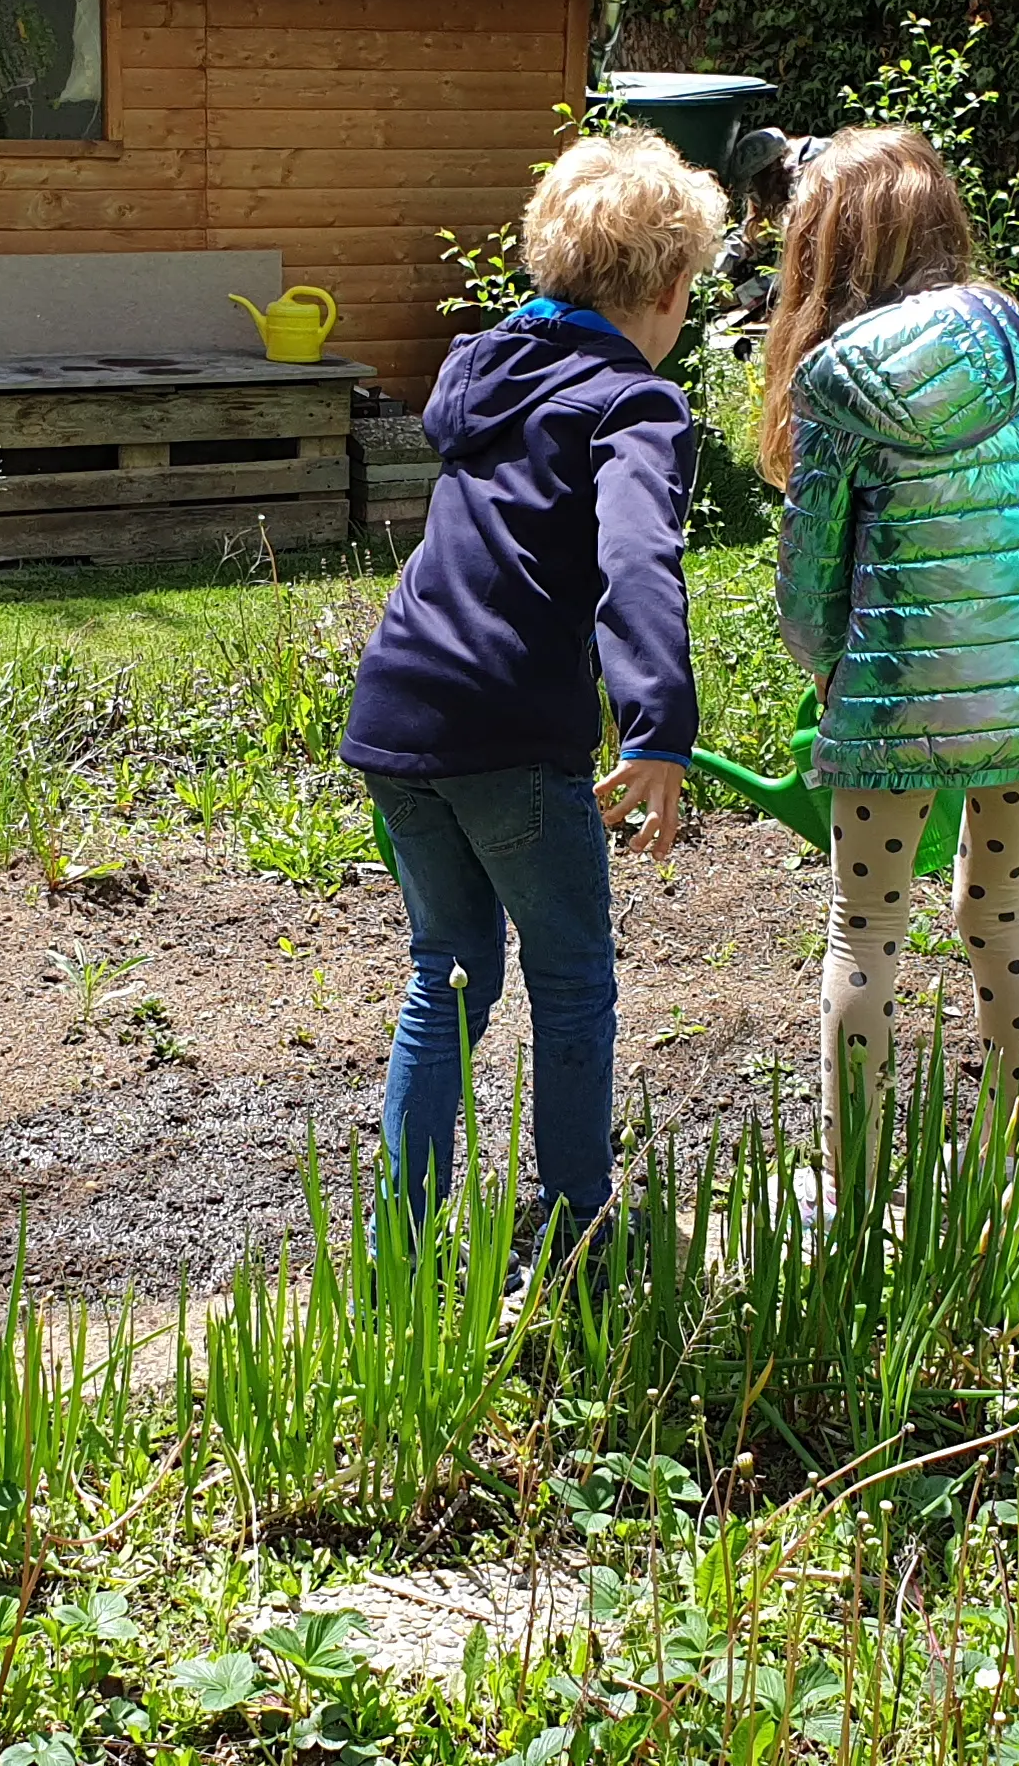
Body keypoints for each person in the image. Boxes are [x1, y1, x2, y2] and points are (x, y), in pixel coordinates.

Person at [340, 128, 729, 1233]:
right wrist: (659, 728)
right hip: (510, 731)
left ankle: (401, 1244)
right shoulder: (633, 403)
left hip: (399, 711)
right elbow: (637, 562)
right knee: (570, 982)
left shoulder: (485, 374)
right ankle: (573, 1225)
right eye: (692, 287)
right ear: (664, 287)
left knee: (447, 975)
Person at [762, 126, 1019, 1129]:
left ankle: (857, 1184)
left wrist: (826, 671)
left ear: (831, 245)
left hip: (893, 705)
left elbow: (808, 579)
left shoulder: (837, 383)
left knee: (864, 930)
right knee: (998, 912)